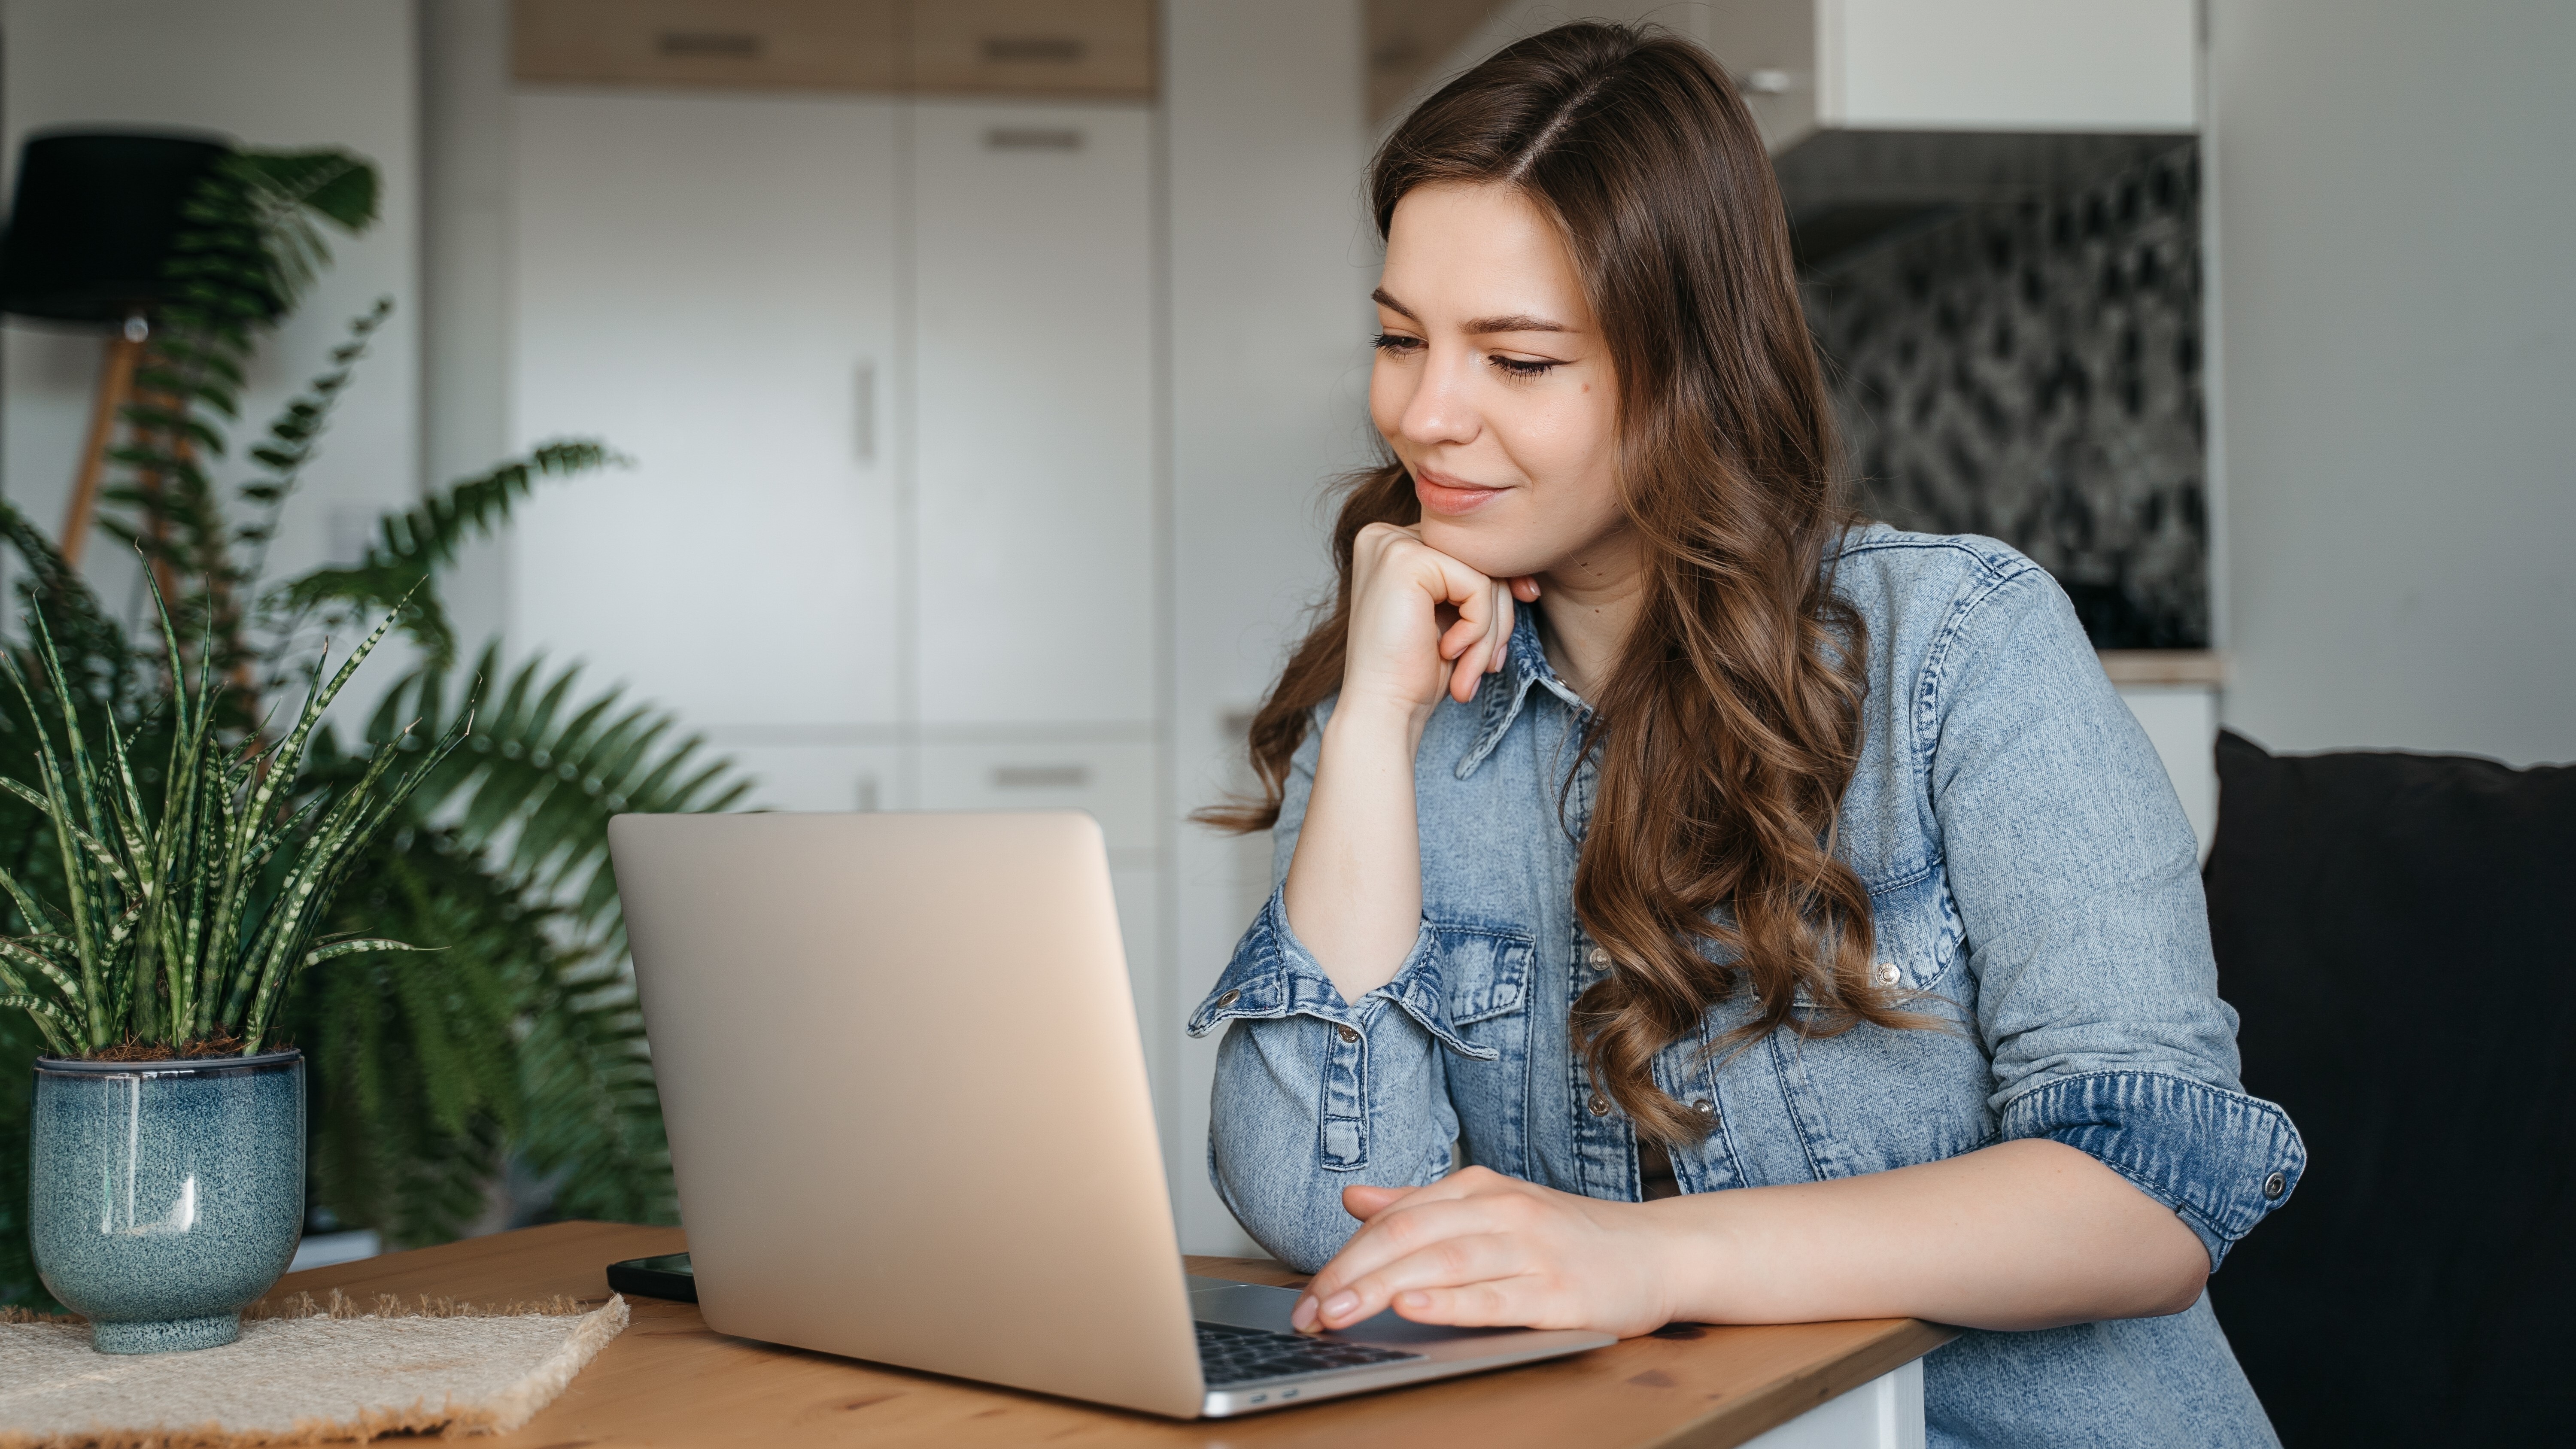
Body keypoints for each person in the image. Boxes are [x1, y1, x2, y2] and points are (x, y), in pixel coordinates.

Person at [1189, 21, 2303, 1447]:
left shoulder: (1957, 646)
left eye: (1517, 360)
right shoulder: (1408, 699)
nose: (1426, 414)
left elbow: (2148, 1190)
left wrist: (1651, 1261)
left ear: (1691, 369)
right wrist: (1369, 731)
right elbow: (1312, 1203)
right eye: (1401, 338)